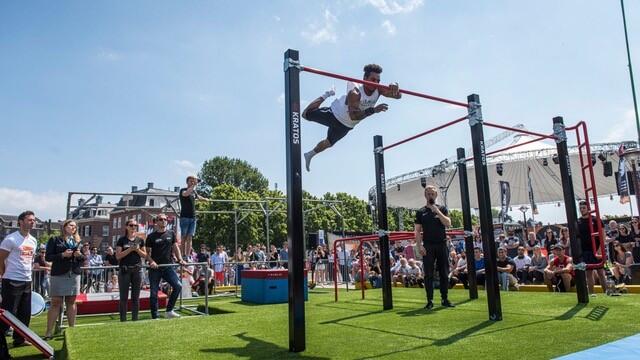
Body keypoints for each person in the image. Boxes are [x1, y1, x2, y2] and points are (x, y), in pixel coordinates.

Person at [301, 64, 401, 171]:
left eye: (378, 80)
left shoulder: (379, 89)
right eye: (373, 79)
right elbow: (353, 116)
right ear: (365, 79)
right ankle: (328, 94)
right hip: (334, 115)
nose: (376, 83)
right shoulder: (355, 92)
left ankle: (309, 154)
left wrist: (395, 86)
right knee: (305, 115)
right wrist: (373, 110)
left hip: (346, 126)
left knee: (328, 143)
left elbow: (398, 96)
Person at [0, 211, 38, 356]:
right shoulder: (10, 239)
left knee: (25, 313)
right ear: (20, 222)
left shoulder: (33, 240)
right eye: (29, 220)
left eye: (33, 220)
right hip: (11, 280)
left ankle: (20, 338)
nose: (32, 222)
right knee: (9, 313)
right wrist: (3, 274)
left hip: (27, 280)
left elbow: (30, 260)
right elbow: (1, 258)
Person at [43, 219, 85, 340]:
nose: (74, 228)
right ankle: (48, 332)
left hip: (74, 274)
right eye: (71, 225)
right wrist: (62, 255)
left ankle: (72, 329)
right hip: (59, 274)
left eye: (75, 226)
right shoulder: (55, 240)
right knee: (56, 302)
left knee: (71, 302)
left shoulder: (78, 241)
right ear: (65, 226)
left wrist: (79, 256)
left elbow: (83, 259)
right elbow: (48, 257)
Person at [415, 185, 454, 309]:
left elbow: (448, 223)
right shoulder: (420, 212)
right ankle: (429, 300)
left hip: (442, 244)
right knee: (428, 274)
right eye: (428, 194)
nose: (430, 196)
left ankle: (444, 298)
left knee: (444, 272)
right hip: (428, 245)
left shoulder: (442, 208)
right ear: (425, 195)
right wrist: (419, 246)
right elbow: (417, 231)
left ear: (436, 195)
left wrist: (437, 211)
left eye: (432, 194)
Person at [145, 214, 185, 319]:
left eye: (165, 219)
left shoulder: (171, 233)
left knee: (178, 286)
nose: (163, 221)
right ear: (156, 222)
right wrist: (151, 262)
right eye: (161, 219)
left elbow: (176, 247)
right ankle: (155, 316)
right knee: (154, 293)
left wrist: (180, 259)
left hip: (168, 267)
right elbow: (147, 253)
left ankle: (169, 310)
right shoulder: (151, 236)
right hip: (155, 269)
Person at [116, 219, 147, 322]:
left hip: (137, 270)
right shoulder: (122, 240)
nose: (133, 227)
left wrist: (137, 250)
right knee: (123, 297)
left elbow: (145, 255)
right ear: (127, 227)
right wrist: (130, 249)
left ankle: (135, 319)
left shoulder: (140, 240)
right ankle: (123, 320)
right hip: (125, 270)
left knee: (135, 297)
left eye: (135, 226)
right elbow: (118, 256)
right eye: (131, 225)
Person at [577, 201, 606, 296]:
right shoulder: (578, 221)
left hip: (596, 250)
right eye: (580, 208)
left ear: (588, 208)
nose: (582, 210)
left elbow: (603, 235)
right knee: (588, 274)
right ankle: (591, 294)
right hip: (585, 251)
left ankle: (606, 292)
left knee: (601, 272)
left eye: (584, 208)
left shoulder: (596, 219)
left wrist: (599, 249)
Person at [179, 175, 207, 256]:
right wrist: (194, 185)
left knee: (190, 237)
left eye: (193, 181)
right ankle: (182, 255)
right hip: (184, 217)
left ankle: (187, 256)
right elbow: (186, 194)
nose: (193, 182)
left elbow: (198, 197)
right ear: (187, 182)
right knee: (183, 237)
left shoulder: (194, 192)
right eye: (191, 181)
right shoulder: (183, 190)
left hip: (193, 217)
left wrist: (205, 199)